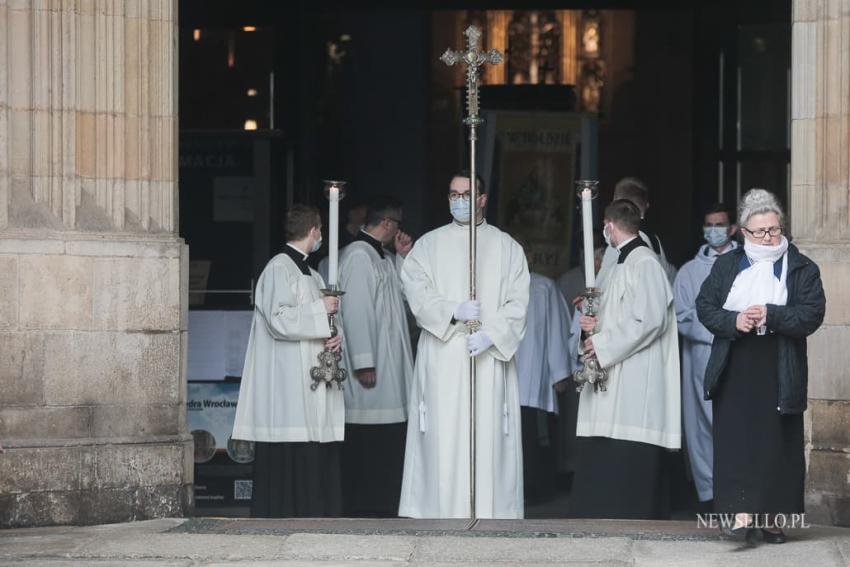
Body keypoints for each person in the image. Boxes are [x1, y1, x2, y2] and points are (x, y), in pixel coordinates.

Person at [398, 171, 530, 519]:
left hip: (485, 354)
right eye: (453, 194)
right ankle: (438, 509)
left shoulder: (507, 247)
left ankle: (490, 512)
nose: (459, 200)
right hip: (444, 353)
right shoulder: (429, 245)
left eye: (466, 194)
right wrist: (451, 311)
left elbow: (518, 303)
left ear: (483, 199)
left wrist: (492, 334)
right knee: (444, 434)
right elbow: (414, 286)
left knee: (486, 435)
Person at [696, 189, 825, 543]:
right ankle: (740, 515)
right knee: (737, 440)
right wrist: (735, 321)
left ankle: (771, 518)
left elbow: (811, 314)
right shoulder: (727, 265)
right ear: (744, 233)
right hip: (736, 362)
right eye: (760, 231)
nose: (768, 236)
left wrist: (773, 313)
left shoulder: (801, 267)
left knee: (775, 443)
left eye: (773, 229)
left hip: (779, 364)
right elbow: (705, 307)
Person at [232, 204, 345, 518]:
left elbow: (327, 319)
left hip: (309, 377)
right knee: (292, 444)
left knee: (314, 444)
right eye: (320, 230)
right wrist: (320, 311)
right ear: (313, 231)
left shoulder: (311, 272)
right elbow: (278, 320)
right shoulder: (278, 268)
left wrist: (335, 338)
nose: (321, 236)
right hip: (286, 381)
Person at [571, 199, 681, 519]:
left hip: (634, 378)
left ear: (608, 226)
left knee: (627, 454)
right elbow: (614, 315)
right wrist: (591, 324)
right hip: (612, 375)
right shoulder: (616, 263)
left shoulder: (644, 262)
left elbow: (648, 321)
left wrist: (602, 344)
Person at [337, 196, 415, 517]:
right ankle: (367, 505)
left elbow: (400, 297)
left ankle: (385, 503)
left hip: (390, 367)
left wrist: (401, 257)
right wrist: (364, 360)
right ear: (386, 223)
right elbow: (356, 310)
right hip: (374, 369)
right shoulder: (358, 256)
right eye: (397, 224)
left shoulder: (378, 255)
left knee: (388, 440)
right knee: (371, 443)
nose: (399, 230)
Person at [673, 203, 738, 506]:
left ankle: (739, 490)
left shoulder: (747, 263)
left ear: (733, 228)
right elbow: (682, 315)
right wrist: (719, 326)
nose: (714, 230)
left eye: (720, 224)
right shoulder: (689, 271)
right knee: (702, 425)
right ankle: (710, 495)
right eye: (709, 225)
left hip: (740, 352)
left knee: (737, 422)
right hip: (702, 355)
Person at [514, 239, 573, 504]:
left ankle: (535, 489)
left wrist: (559, 371)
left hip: (533, 373)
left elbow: (558, 330)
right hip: (502, 372)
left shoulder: (543, 287)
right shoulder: (492, 286)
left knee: (533, 435)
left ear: (529, 256)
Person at [596, 177, 677, 288]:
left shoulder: (622, 239)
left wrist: (588, 301)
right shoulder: (654, 239)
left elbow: (606, 286)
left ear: (615, 202)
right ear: (646, 205)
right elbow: (668, 278)